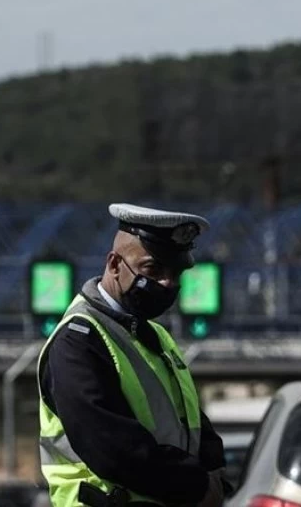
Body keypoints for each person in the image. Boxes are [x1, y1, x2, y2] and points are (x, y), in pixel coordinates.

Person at [36, 204, 230, 507]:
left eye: (176, 272)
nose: (168, 283)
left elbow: (187, 418)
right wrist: (197, 486)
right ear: (114, 264)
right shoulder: (79, 341)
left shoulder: (155, 336)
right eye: (153, 270)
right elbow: (112, 448)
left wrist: (215, 471)